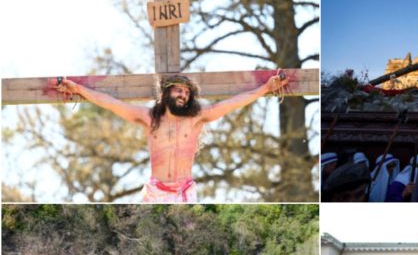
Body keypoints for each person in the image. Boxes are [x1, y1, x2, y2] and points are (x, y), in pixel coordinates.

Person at [57, 74, 287, 202]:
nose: (183, 96)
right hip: (156, 190)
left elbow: (233, 103)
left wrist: (265, 88)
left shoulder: (196, 118)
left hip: (184, 191)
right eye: (179, 91)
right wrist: (79, 89)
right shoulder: (149, 118)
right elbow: (110, 103)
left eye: (187, 93)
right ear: (166, 93)